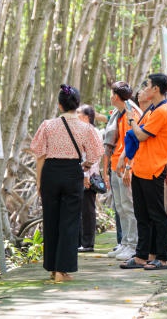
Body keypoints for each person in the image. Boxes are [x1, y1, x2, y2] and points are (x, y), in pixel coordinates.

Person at [31, 85, 104, 283]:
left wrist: (39, 180)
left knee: (51, 220)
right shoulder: (85, 127)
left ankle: (53, 269)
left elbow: (40, 155)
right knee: (70, 222)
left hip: (50, 173)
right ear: (77, 104)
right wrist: (86, 165)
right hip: (73, 172)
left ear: (60, 105)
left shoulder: (47, 125)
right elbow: (97, 152)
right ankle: (63, 271)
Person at [119, 73, 167, 271]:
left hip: (153, 169)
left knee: (157, 214)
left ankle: (162, 257)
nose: (144, 88)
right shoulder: (153, 109)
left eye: (148, 85)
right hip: (141, 168)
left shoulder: (162, 111)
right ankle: (143, 255)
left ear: (156, 89)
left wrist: (131, 121)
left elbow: (141, 135)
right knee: (142, 214)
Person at [104, 82, 139, 261]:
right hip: (115, 165)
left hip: (125, 166)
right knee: (120, 207)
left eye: (111, 94)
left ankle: (133, 244)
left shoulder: (130, 112)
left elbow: (134, 142)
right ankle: (125, 242)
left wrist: (128, 167)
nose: (110, 97)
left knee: (128, 206)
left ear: (116, 96)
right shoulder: (118, 113)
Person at [77, 104, 103, 253]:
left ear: (87, 117)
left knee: (87, 209)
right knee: (82, 208)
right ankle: (82, 241)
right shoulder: (86, 131)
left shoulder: (91, 132)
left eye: (79, 114)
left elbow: (91, 155)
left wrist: (86, 175)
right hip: (83, 174)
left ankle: (87, 243)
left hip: (88, 175)